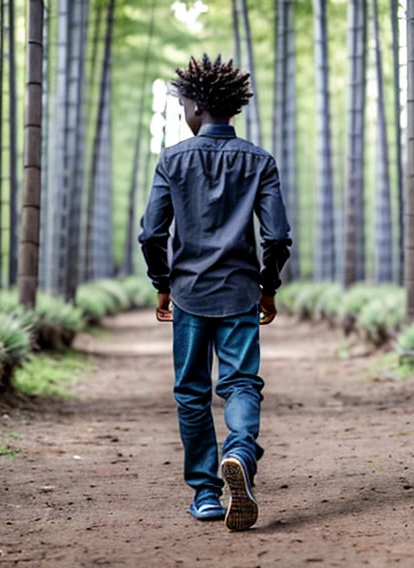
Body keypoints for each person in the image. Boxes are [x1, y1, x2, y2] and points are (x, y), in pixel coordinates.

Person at [138, 55, 291, 532]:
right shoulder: (259, 160)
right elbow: (277, 236)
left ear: (197, 108)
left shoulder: (172, 160)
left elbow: (151, 234)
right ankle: (240, 453)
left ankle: (205, 494)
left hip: (189, 293)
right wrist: (267, 287)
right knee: (241, 383)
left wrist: (163, 285)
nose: (184, 112)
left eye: (184, 104)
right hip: (241, 291)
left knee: (192, 392)